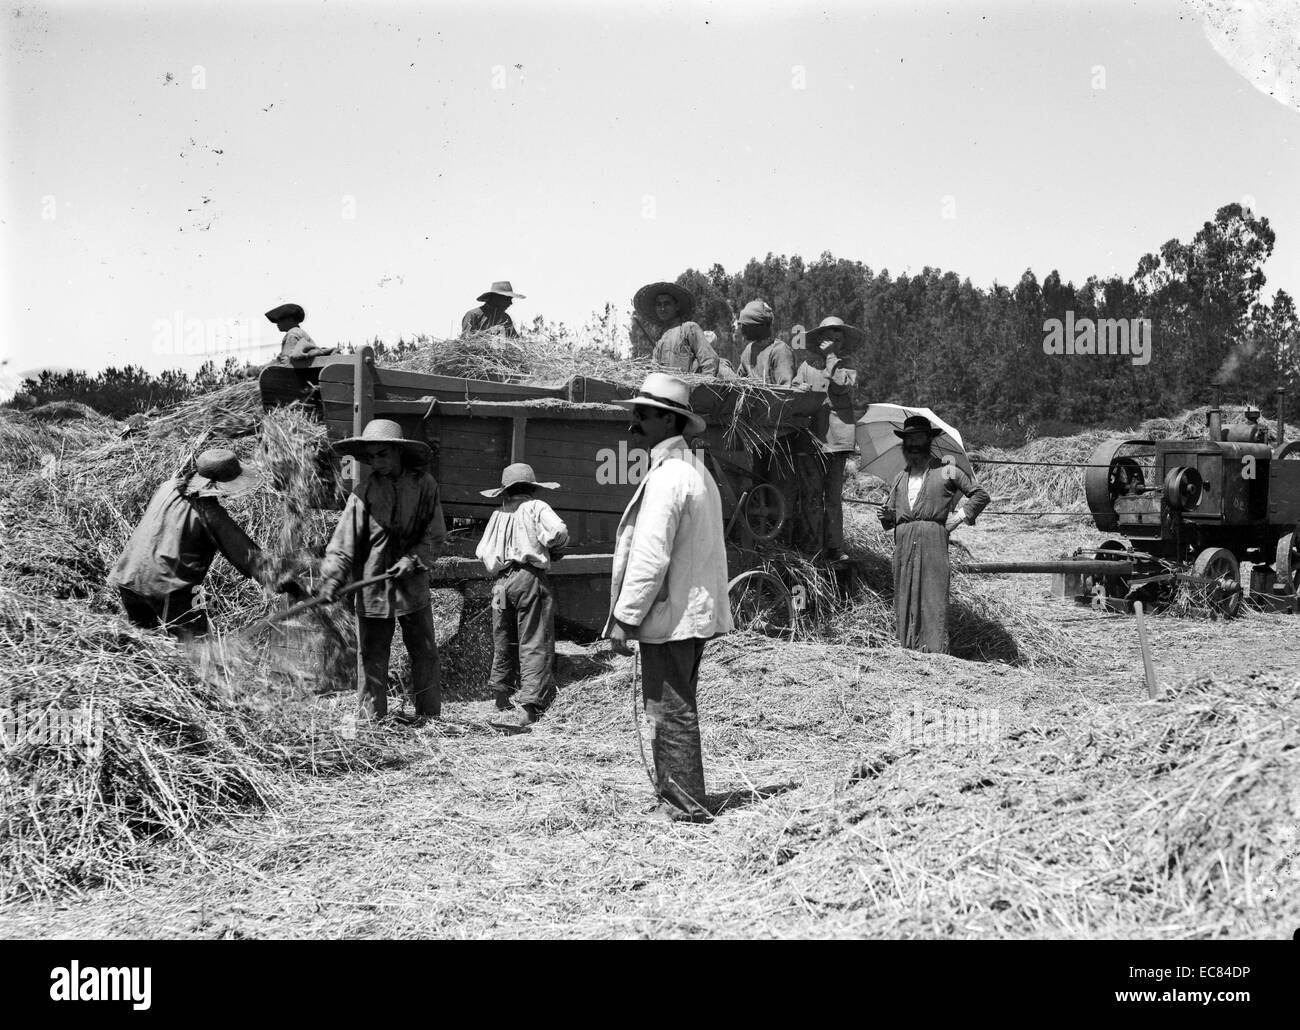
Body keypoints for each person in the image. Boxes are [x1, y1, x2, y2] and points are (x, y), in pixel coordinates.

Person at [604, 373, 734, 822]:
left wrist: (625, 617)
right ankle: (677, 796)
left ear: (669, 420)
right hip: (687, 610)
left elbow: (650, 556)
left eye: (642, 414)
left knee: (669, 708)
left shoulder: (670, 477)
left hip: (675, 612)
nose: (632, 423)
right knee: (673, 704)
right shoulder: (691, 471)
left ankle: (685, 805)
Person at [319, 419, 448, 723]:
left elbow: (435, 533)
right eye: (372, 456)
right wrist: (332, 577)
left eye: (382, 455)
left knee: (425, 651)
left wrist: (413, 559)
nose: (376, 462)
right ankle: (371, 723)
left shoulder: (425, 486)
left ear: (398, 453)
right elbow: (342, 545)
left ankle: (430, 718)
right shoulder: (363, 494)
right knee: (372, 658)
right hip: (374, 588)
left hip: (412, 586)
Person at [109, 449, 302, 638]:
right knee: (200, 649)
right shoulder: (210, 514)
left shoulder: (168, 487)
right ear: (220, 484)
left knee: (143, 642)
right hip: (167, 590)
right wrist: (289, 585)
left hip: (128, 577)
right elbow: (249, 558)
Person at [878, 416, 990, 654]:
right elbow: (890, 521)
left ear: (928, 440)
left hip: (933, 538)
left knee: (933, 592)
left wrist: (958, 518)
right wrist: (885, 516)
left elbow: (980, 495)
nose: (913, 444)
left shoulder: (946, 467)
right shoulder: (900, 477)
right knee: (903, 593)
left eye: (918, 438)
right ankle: (906, 649)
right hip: (904, 542)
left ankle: (935, 651)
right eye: (908, 439)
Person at [477, 463, 570, 734]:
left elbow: (482, 551)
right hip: (528, 577)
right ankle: (530, 707)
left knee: (503, 637)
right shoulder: (536, 507)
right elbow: (558, 533)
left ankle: (501, 698)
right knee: (534, 638)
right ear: (531, 488)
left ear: (506, 491)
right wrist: (555, 551)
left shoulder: (498, 514)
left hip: (500, 583)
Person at [792, 316, 862, 562]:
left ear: (842, 342)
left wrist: (832, 357)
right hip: (810, 438)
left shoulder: (847, 365)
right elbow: (793, 392)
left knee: (832, 497)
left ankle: (834, 546)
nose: (832, 340)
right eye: (828, 336)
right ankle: (813, 547)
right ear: (819, 339)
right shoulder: (806, 366)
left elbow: (842, 386)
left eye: (837, 337)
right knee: (811, 495)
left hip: (837, 439)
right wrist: (798, 390)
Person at [633, 281, 721, 376]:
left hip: (687, 388)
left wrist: (704, 386)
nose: (662, 308)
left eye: (667, 304)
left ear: (677, 306)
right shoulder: (660, 341)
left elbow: (710, 359)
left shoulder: (689, 329)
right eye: (659, 304)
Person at [265, 303, 336, 363]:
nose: (277, 323)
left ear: (290, 319)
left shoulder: (292, 334)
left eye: (279, 319)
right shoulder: (299, 331)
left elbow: (286, 361)